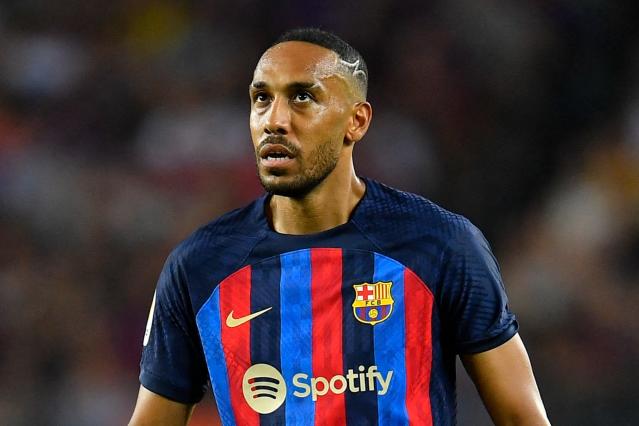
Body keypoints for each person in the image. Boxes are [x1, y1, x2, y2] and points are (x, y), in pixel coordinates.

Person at [129, 28, 549, 426]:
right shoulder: (198, 266)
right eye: (261, 98)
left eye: (302, 97)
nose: (274, 120)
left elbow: (522, 417)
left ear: (357, 121)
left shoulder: (442, 245)